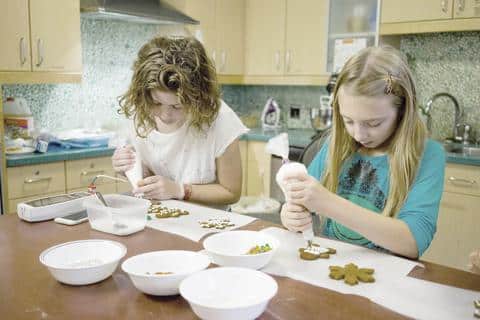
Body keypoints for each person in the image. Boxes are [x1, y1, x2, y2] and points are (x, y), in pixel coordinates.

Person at [280, 46, 445, 259]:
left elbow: (414, 241)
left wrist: (328, 203)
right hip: (332, 265)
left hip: (389, 278)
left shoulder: (428, 155)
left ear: (403, 111)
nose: (359, 134)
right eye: (348, 121)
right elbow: (304, 204)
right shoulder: (335, 145)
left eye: (374, 123)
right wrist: (291, 215)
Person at [112, 36, 248, 206]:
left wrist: (180, 190)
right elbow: (150, 178)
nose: (165, 115)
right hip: (162, 220)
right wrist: (130, 168)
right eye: (156, 103)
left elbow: (231, 192)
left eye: (177, 106)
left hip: (209, 224)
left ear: (198, 97)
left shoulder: (219, 119)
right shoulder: (140, 112)